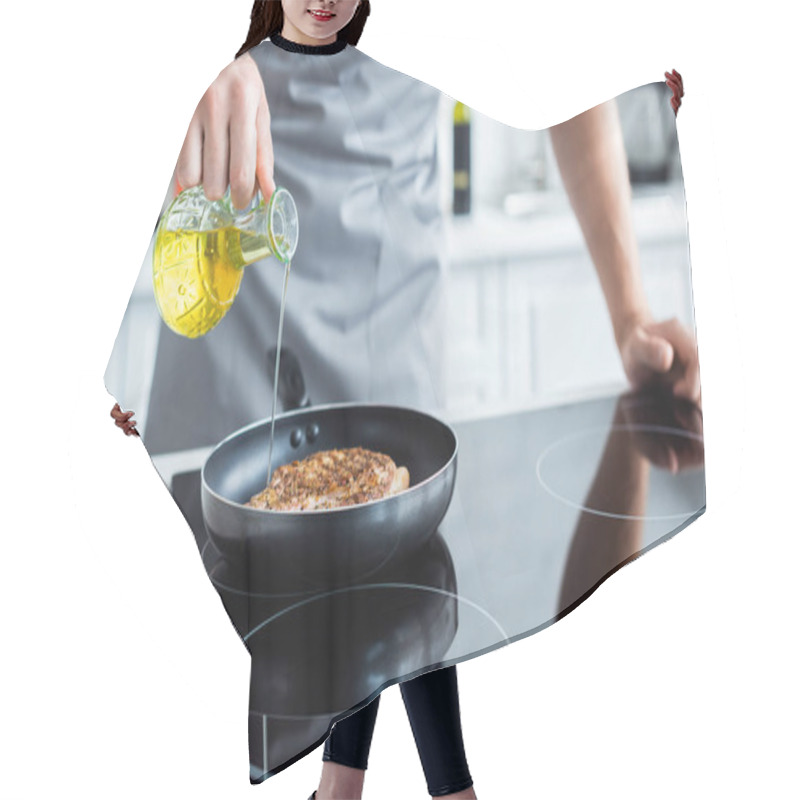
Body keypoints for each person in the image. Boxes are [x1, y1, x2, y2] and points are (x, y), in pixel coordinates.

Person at [111, 2, 695, 798]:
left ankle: (375, 787)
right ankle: (373, 786)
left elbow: (551, 67)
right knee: (285, 590)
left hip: (385, 297)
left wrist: (630, 313)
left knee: (394, 571)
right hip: (231, 330)